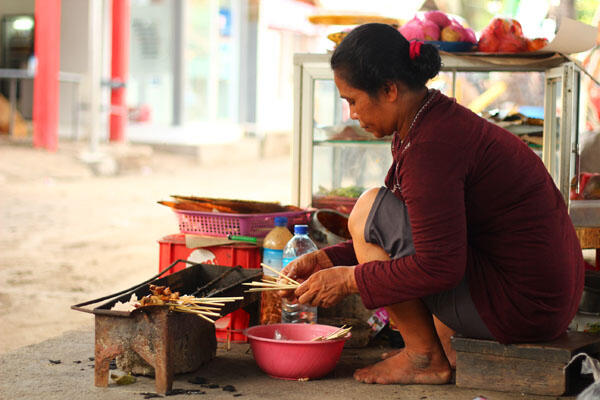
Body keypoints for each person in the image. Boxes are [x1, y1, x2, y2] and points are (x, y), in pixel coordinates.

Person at [279, 23, 584, 385]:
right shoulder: (431, 121)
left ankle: (423, 357)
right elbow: (429, 234)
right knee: (372, 212)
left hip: (522, 309)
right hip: (543, 304)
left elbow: (440, 266)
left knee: (367, 208)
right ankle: (439, 349)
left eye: (353, 100)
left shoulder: (432, 146)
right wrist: (328, 259)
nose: (352, 114)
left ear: (390, 90)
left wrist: (349, 280)